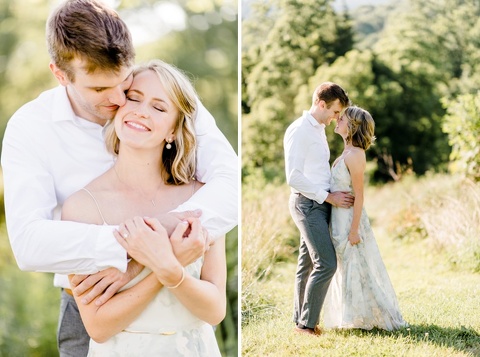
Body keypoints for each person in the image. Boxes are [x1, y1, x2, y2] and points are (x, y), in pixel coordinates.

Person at [0, 0, 237, 355]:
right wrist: (141, 253)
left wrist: (152, 254)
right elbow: (29, 244)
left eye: (123, 80)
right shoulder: (30, 127)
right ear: (60, 74)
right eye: (98, 89)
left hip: (183, 314)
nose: (118, 99)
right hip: (95, 302)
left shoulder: (156, 97)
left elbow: (230, 189)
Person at [61, 59, 225, 356]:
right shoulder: (81, 207)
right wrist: (166, 263)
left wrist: (169, 270)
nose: (140, 111)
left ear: (173, 131)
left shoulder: (203, 198)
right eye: (133, 98)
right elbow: (98, 326)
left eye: (159, 107)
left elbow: (214, 311)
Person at [323, 106, 406, 331]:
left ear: (353, 126)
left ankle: (368, 315)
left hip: (350, 219)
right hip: (338, 218)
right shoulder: (346, 153)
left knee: (356, 265)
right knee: (344, 265)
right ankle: (349, 315)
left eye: (343, 118)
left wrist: (354, 229)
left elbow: (359, 194)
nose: (338, 120)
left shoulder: (356, 154)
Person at [283, 82, 353, 336]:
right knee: (326, 263)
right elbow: (294, 176)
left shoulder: (318, 129)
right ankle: (306, 325)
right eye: (335, 112)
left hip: (319, 203)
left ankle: (300, 320)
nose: (337, 118)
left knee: (307, 264)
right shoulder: (300, 130)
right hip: (307, 203)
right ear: (321, 104)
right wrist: (328, 197)